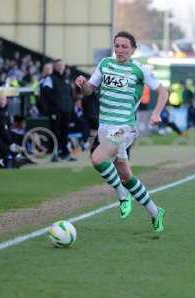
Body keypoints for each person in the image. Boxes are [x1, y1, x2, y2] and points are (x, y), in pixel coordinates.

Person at [75, 31, 169, 232]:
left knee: (97, 158)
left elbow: (163, 91)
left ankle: (121, 195)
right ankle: (155, 211)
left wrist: (157, 113)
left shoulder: (139, 70)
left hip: (124, 128)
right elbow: (89, 90)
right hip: (104, 127)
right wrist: (83, 85)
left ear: (133, 49)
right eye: (117, 45)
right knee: (126, 176)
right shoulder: (105, 64)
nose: (119, 50)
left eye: (124, 46)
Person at [45, 59, 75, 161]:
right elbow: (46, 96)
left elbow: (71, 95)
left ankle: (65, 153)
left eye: (62, 65)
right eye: (58, 65)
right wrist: (51, 110)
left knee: (65, 132)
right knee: (55, 132)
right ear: (55, 67)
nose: (60, 67)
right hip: (55, 112)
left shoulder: (67, 79)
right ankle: (54, 154)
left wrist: (71, 108)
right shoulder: (50, 79)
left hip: (67, 111)